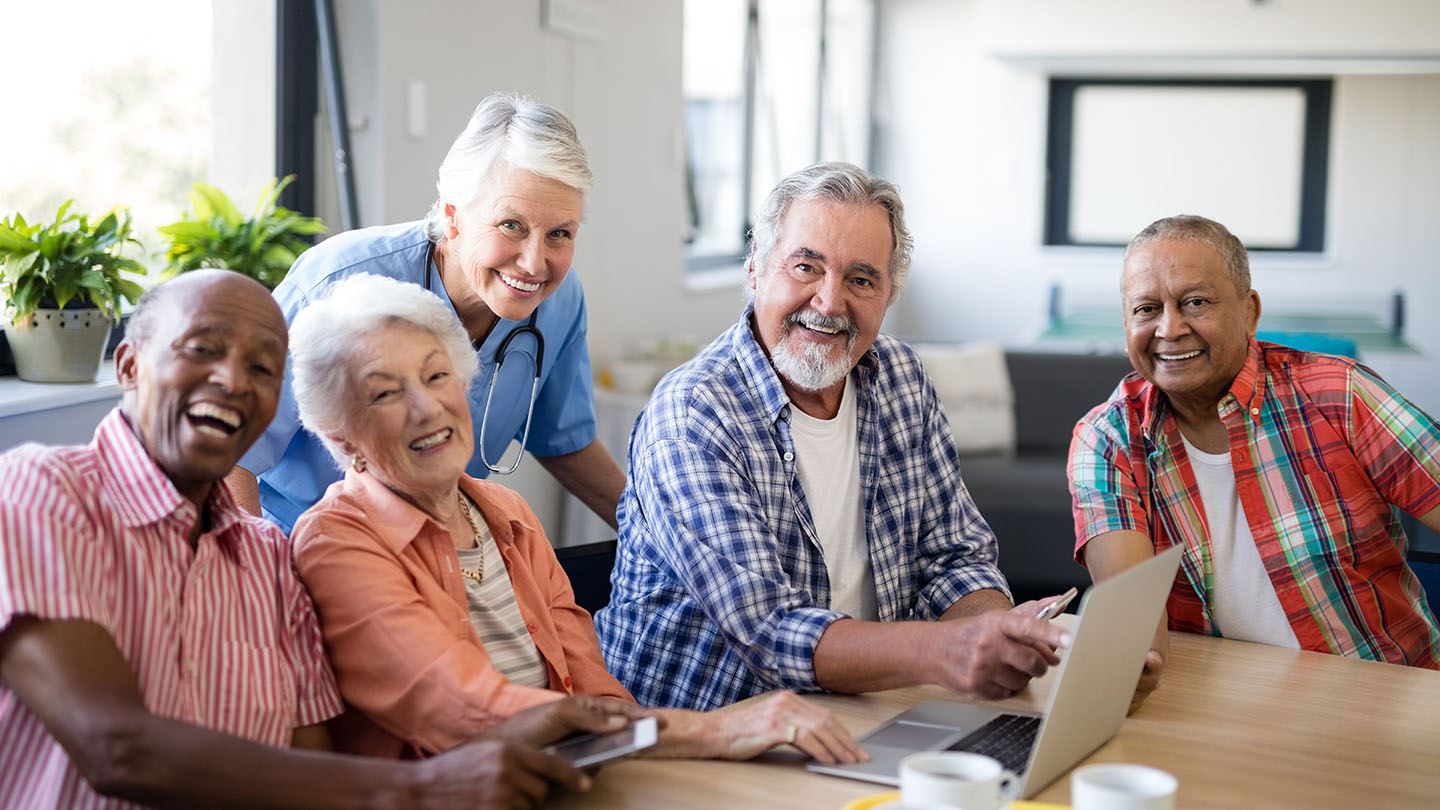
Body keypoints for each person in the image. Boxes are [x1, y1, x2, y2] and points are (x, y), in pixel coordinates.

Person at [0, 269, 648, 809]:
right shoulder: (45, 491)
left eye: (262, 367)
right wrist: (424, 789)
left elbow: (315, 762)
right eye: (201, 349)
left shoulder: (266, 558)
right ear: (128, 365)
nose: (234, 380)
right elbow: (116, 749)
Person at [285, 273, 865, 765]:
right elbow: (461, 707)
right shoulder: (337, 543)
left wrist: (643, 741)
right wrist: (707, 731)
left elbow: (592, 684)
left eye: (437, 376)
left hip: (568, 777)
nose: (426, 407)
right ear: (342, 437)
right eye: (385, 395)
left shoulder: (504, 512)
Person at [594, 162, 1071, 712]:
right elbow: (770, 631)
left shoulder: (901, 378)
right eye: (806, 267)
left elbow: (954, 558)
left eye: (861, 280)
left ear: (889, 294)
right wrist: (949, 649)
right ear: (755, 270)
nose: (828, 301)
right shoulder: (693, 415)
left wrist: (999, 634)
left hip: (863, 708)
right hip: (704, 729)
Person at [1068, 214, 1440, 709]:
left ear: (1249, 312)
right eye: (1147, 309)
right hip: (1217, 708)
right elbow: (1132, 628)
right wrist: (1118, 662)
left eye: (1196, 302)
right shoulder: (1106, 439)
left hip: (1385, 700)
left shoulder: (1342, 394)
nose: (1169, 329)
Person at [229, 91, 624, 535]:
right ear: (453, 216)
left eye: (559, 234)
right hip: (300, 541)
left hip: (434, 545)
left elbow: (565, 441)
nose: (534, 263)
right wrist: (259, 568)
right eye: (511, 225)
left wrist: (655, 530)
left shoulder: (560, 302)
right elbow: (231, 453)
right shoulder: (333, 283)